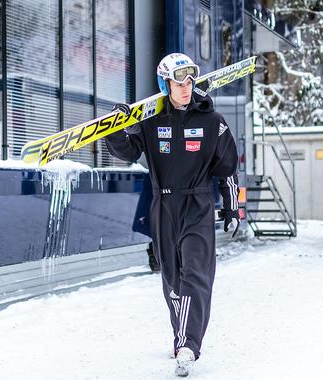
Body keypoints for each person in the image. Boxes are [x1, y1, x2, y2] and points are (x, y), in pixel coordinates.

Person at [105, 53, 240, 377]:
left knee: (196, 275)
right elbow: (127, 150)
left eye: (190, 82)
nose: (185, 88)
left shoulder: (213, 122)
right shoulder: (151, 120)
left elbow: (228, 169)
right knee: (172, 282)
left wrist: (232, 207)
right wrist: (116, 127)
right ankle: (180, 333)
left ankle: (189, 344)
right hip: (163, 207)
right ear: (164, 85)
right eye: (178, 83)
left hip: (199, 206)